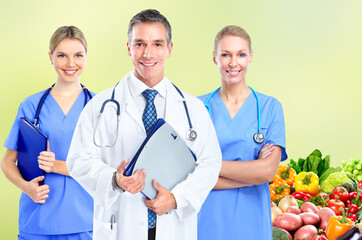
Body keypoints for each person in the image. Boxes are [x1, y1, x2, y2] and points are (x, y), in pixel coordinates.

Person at [66, 9, 221, 240]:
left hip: (174, 228)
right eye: (139, 43)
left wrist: (177, 198)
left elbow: (210, 164)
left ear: (169, 49)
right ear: (128, 48)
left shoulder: (193, 109)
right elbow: (77, 161)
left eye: (157, 44)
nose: (148, 53)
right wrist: (114, 180)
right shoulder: (99, 107)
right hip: (120, 227)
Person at [1, 26, 94, 240]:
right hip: (38, 221)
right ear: (50, 57)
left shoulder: (98, 107)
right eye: (62, 55)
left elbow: (107, 167)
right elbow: (7, 161)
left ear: (86, 57)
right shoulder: (31, 106)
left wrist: (57, 166)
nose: (71, 63)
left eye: (78, 55)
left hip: (85, 221)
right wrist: (26, 187)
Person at [196, 25, 287, 239]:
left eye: (241, 54)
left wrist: (207, 165)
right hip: (207, 221)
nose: (233, 63)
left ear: (251, 57)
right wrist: (251, 174)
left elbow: (267, 172)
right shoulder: (197, 108)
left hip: (251, 222)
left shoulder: (270, 107)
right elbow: (188, 175)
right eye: (225, 54)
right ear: (215, 58)